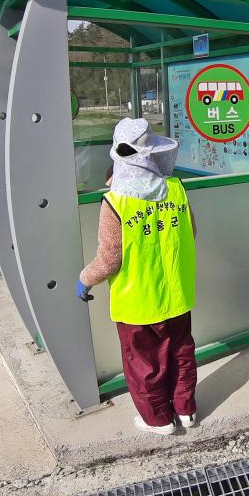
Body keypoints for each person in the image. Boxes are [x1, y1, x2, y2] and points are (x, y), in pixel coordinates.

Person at [77, 118, 198, 435]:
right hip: (177, 293)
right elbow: (191, 232)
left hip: (138, 301)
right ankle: (185, 410)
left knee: (144, 364)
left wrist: (85, 279)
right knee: (181, 353)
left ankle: (158, 420)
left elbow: (109, 260)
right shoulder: (176, 189)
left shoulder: (115, 202)